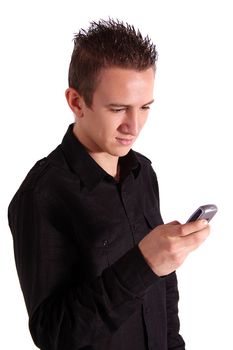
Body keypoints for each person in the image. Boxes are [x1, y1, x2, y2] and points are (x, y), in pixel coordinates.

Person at [8, 19, 210, 350]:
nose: (134, 125)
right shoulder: (41, 195)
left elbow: (163, 288)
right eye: (118, 108)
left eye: (144, 107)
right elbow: (53, 334)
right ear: (76, 102)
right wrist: (143, 264)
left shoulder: (142, 171)